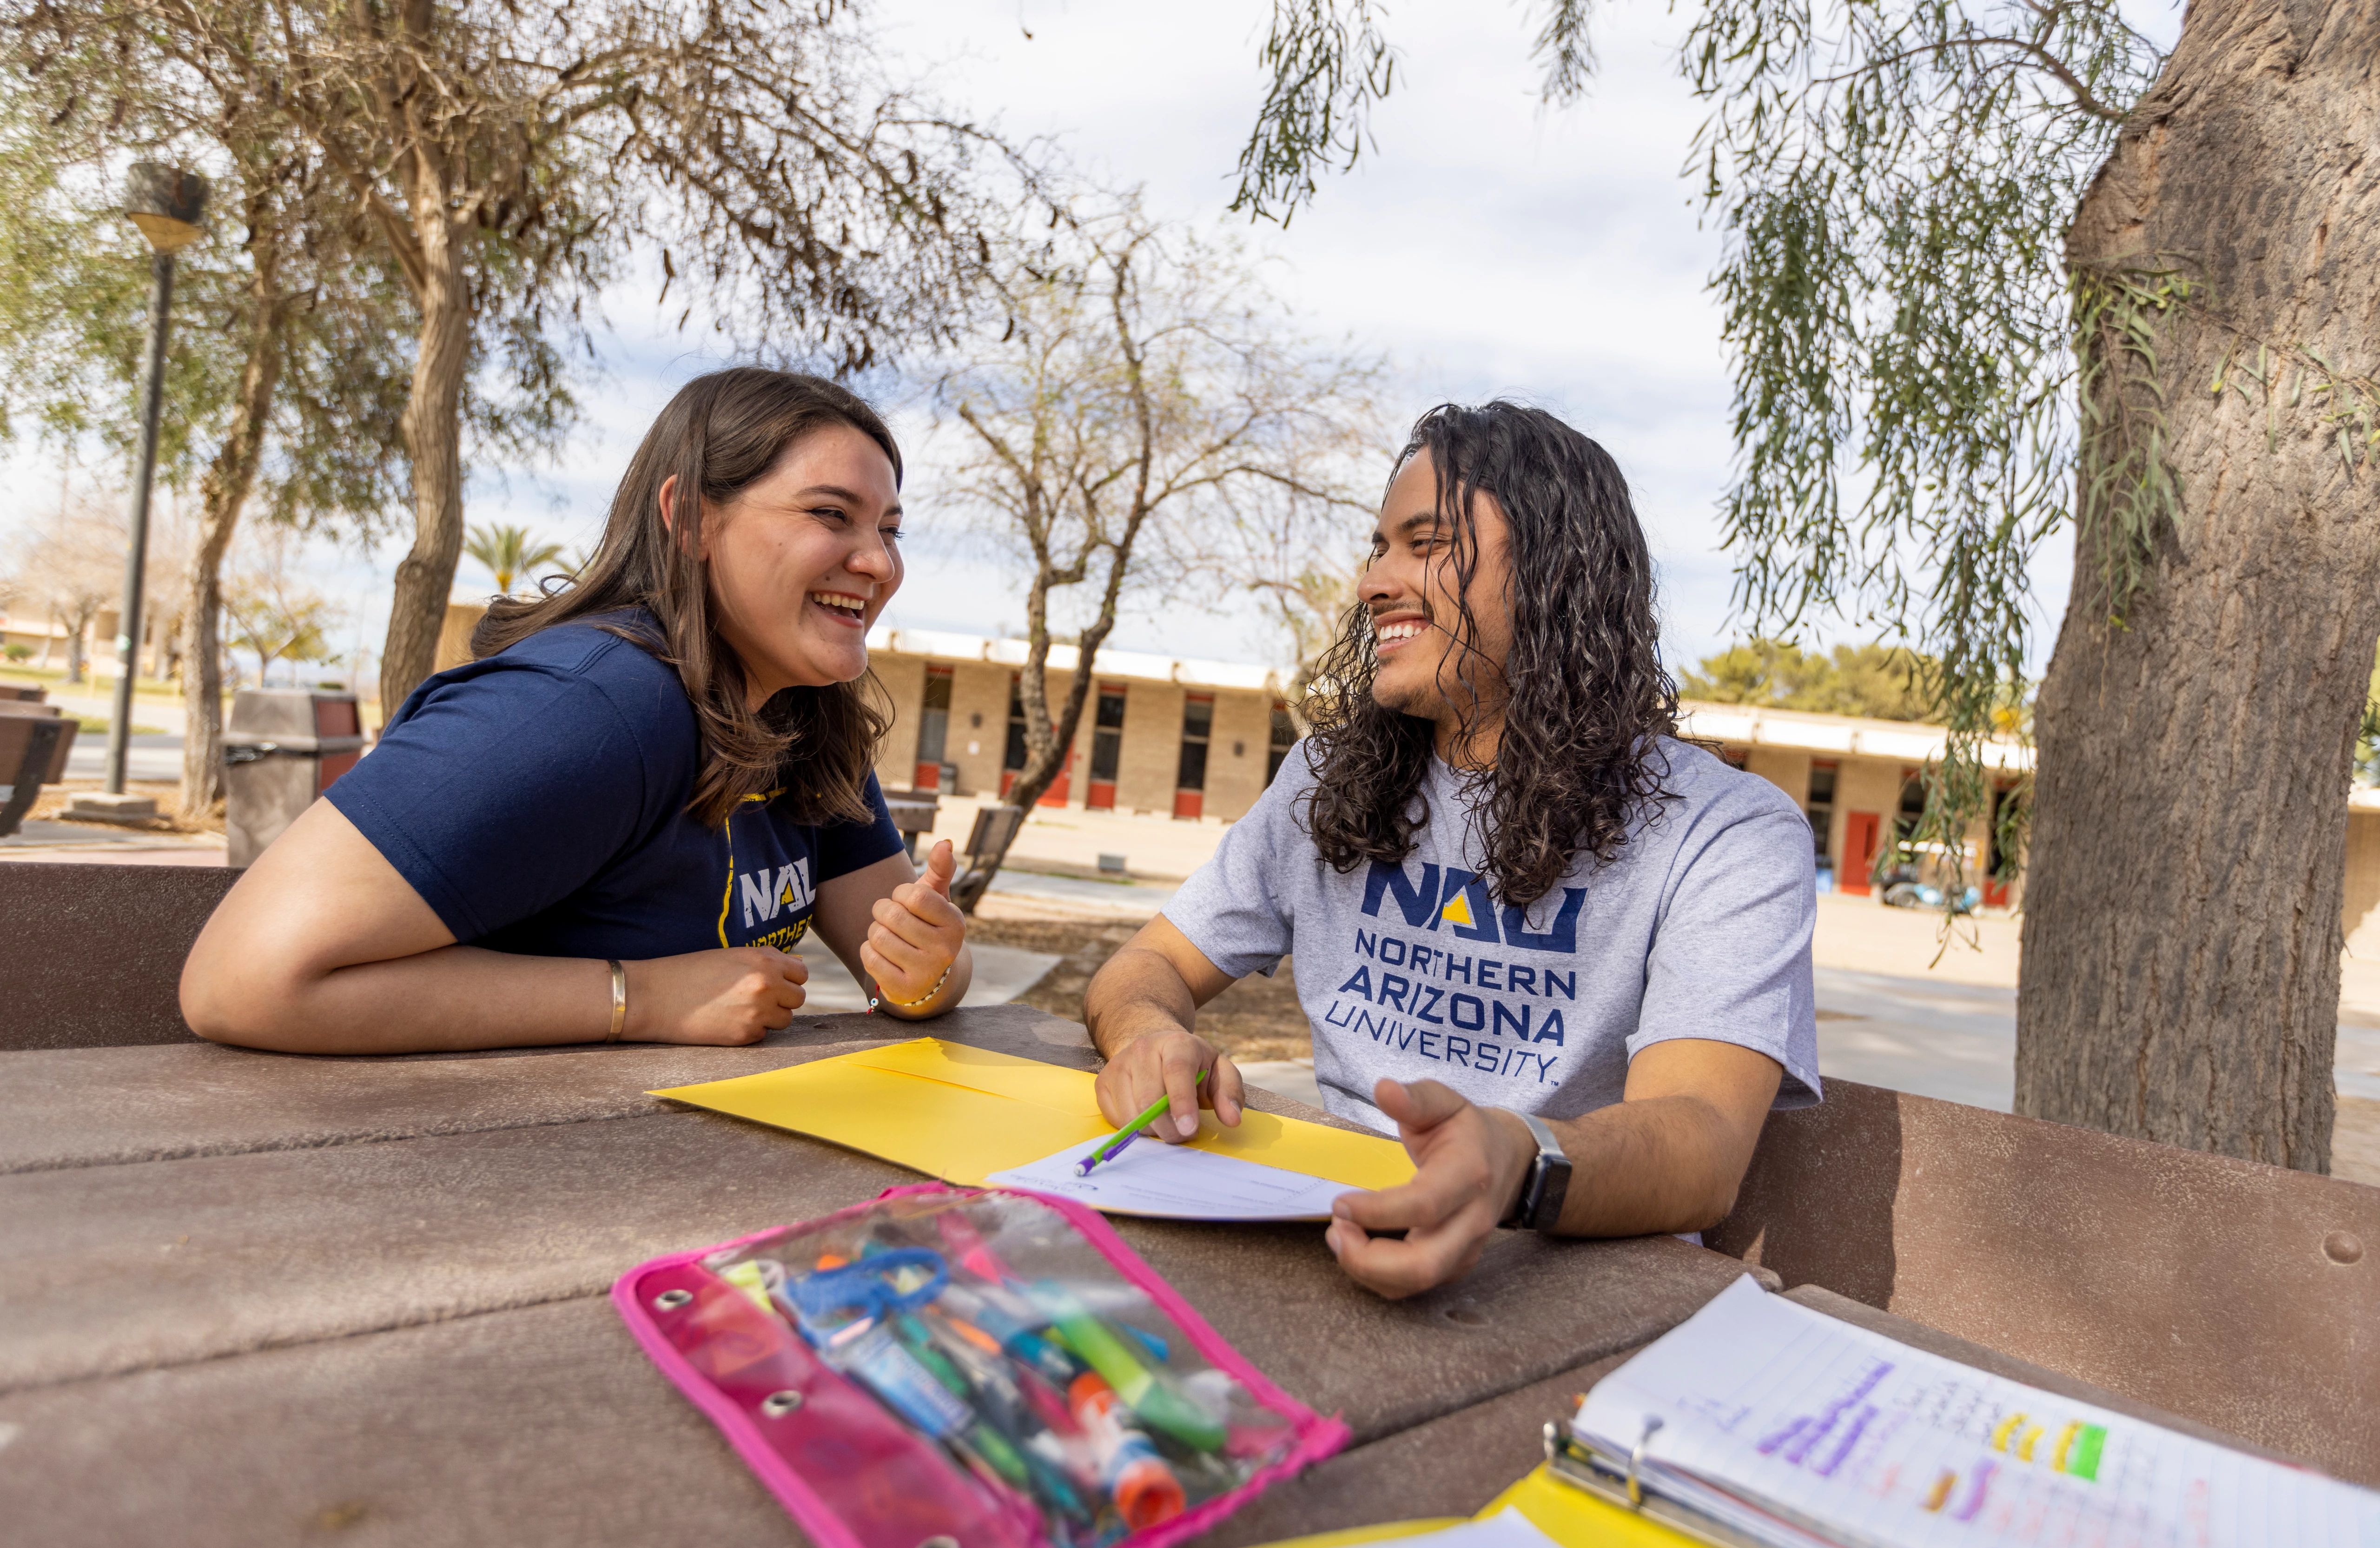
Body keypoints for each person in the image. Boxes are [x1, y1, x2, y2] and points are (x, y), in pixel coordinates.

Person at [1083, 401, 1819, 1298]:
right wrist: (1150, 1035)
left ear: (1555, 573)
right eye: (1379, 547)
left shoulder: (1727, 831)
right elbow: (1148, 965)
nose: (1374, 582)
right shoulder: (1326, 776)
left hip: (1574, 1282)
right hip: (1318, 1236)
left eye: (1426, 545)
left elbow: (1701, 1137)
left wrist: (1512, 1158)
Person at [182, 368, 971, 1053]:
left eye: (888, 529)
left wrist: (927, 969)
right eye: (831, 515)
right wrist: (645, 999)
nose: (877, 562)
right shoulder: (588, 709)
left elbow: (906, 972)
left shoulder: (803, 721)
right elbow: (241, 979)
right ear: (692, 519)